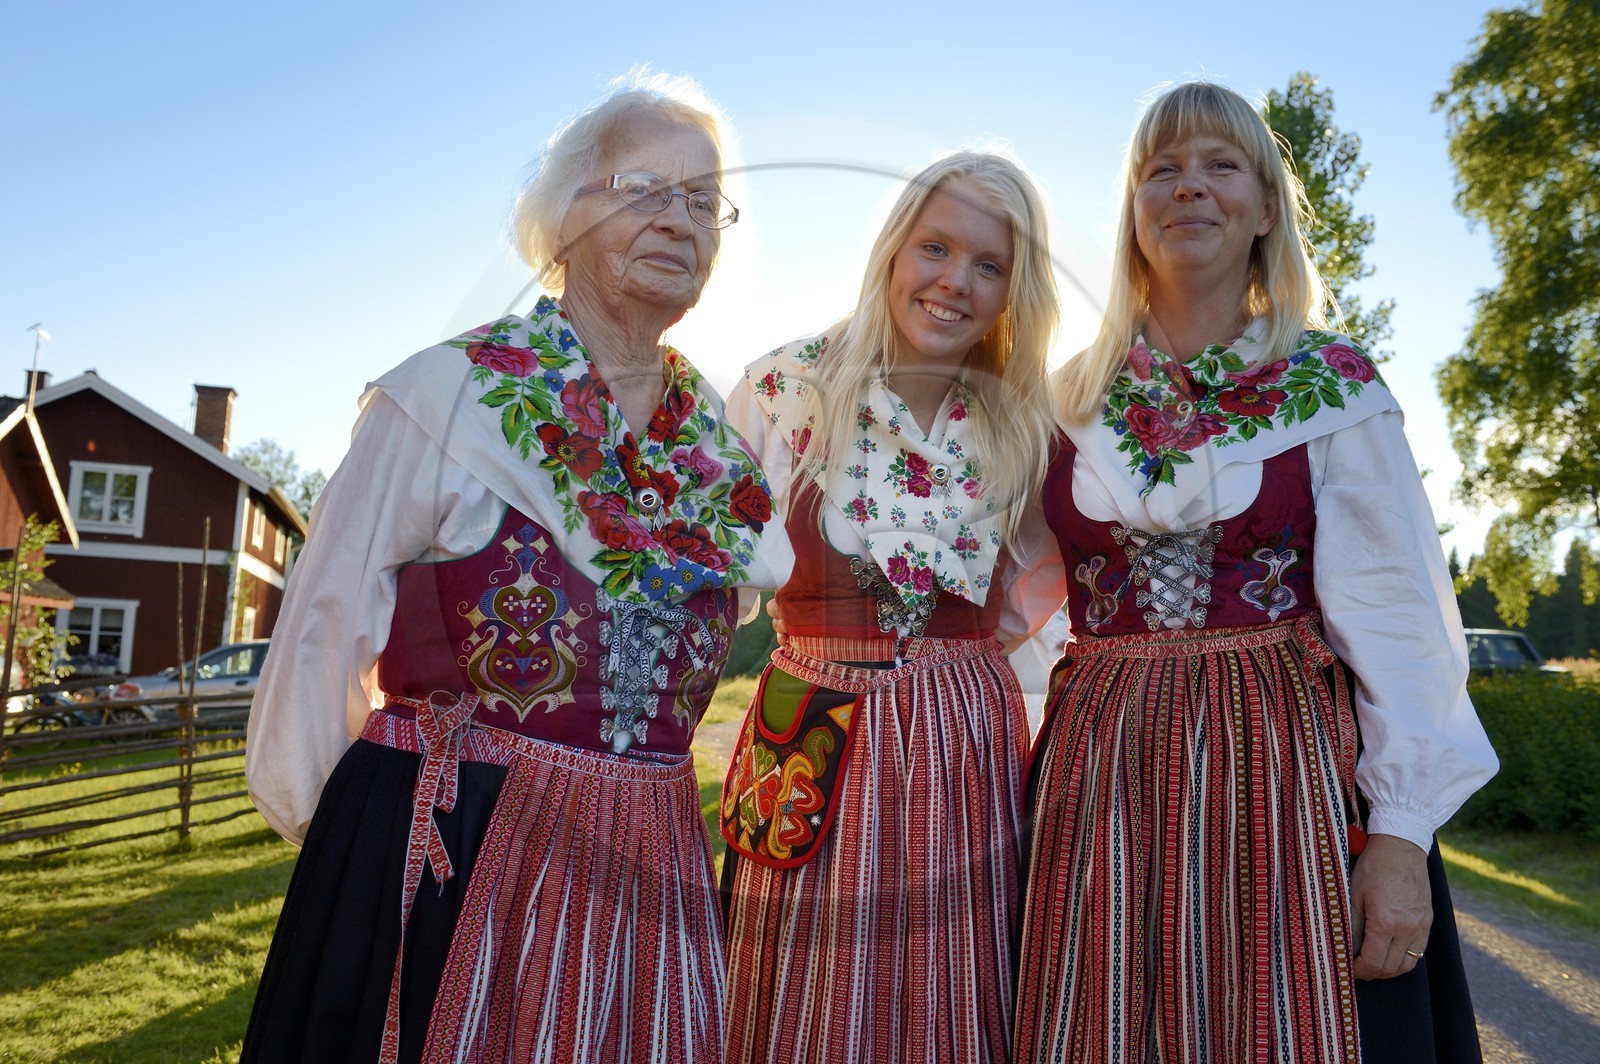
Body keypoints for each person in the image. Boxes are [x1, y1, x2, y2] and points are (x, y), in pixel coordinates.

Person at [241, 72, 792, 1064]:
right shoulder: (446, 397)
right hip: (450, 860)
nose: (679, 220)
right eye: (643, 187)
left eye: (704, 201)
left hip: (654, 877)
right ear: (562, 212)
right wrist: (362, 875)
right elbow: (322, 632)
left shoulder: (717, 454)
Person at [1012, 80, 1498, 1063]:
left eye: (1219, 165)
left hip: (1282, 779)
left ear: (1267, 206)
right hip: (1099, 784)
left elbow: (1400, 618)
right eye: (1162, 169)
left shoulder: (1329, 384)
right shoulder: (1061, 398)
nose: (1188, 188)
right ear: (1132, 211)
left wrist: (1400, 835)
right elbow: (997, 604)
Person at [719, 149, 1065, 1063]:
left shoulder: (1021, 424)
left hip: (961, 745)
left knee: (951, 999)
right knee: (793, 996)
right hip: (807, 733)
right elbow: (710, 584)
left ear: (1014, 292)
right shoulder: (781, 389)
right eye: (936, 249)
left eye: (990, 266)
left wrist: (939, 673)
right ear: (891, 251)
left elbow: (1036, 596)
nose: (956, 281)